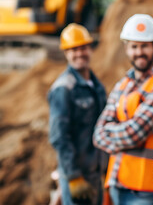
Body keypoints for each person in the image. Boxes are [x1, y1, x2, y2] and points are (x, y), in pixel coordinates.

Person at [93, 14, 153, 205]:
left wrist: (112, 131)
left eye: (144, 46)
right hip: (117, 183)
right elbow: (98, 133)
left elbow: (135, 133)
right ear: (127, 48)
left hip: (147, 191)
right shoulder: (123, 84)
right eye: (134, 46)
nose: (139, 52)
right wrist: (119, 132)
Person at [48, 23, 107, 205]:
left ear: (90, 48)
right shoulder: (64, 88)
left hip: (95, 172)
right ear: (66, 53)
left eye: (82, 48)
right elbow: (59, 136)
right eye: (73, 50)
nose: (79, 53)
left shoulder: (96, 86)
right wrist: (73, 176)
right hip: (77, 176)